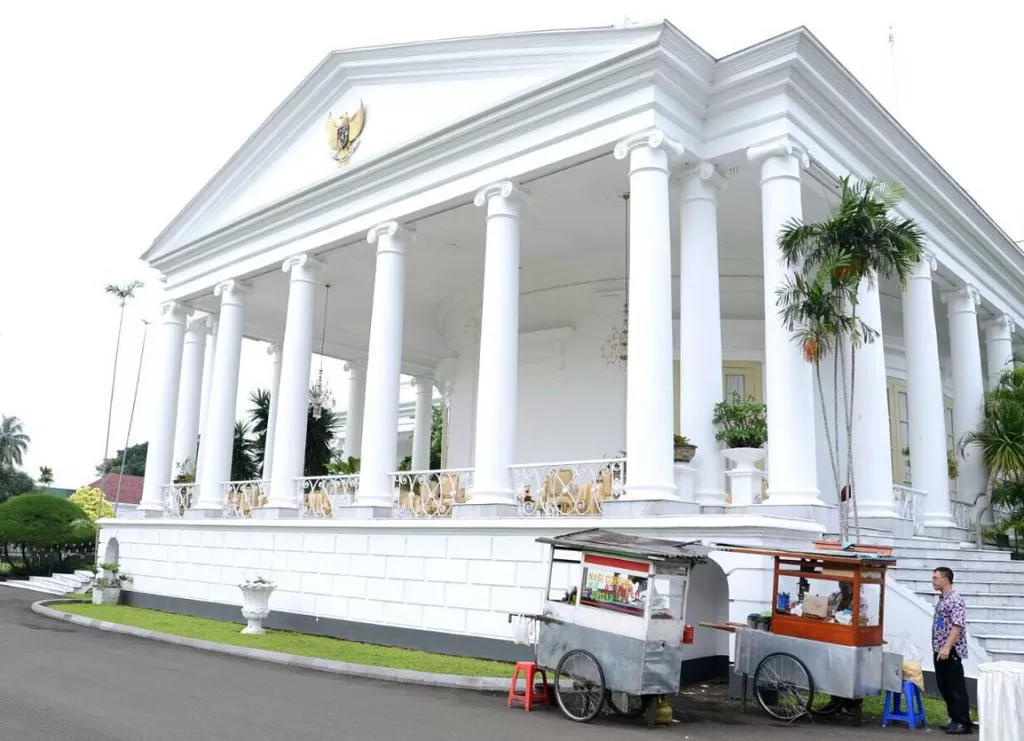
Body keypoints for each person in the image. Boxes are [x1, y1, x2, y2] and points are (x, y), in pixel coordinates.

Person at [932, 566, 973, 735]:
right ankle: (954, 718)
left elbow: (957, 625)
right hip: (939, 648)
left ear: (946, 579)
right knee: (944, 685)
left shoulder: (955, 599)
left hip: (950, 650)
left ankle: (963, 722)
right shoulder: (943, 598)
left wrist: (947, 646)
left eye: (936, 578)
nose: (933, 581)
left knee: (956, 686)